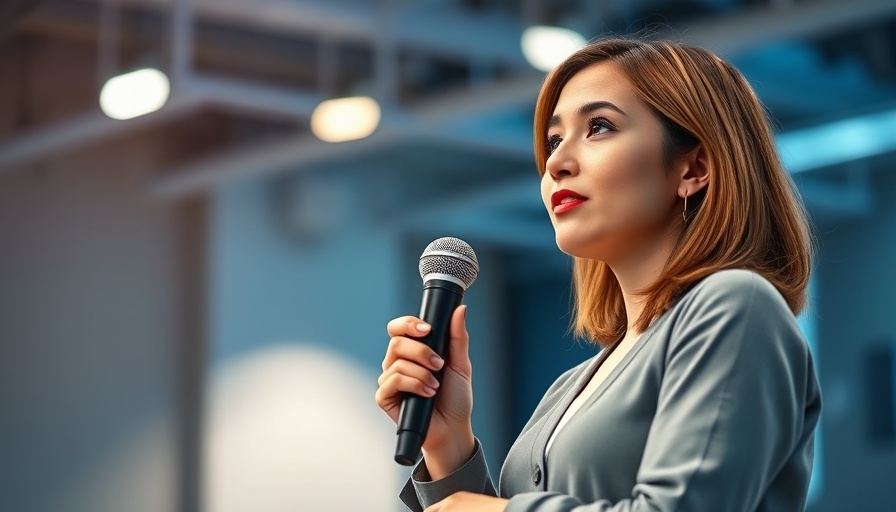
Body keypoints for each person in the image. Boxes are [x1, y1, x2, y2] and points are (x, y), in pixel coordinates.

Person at [375, 37, 822, 512]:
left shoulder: (736, 307)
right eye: (552, 140)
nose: (555, 162)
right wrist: (448, 445)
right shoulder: (569, 387)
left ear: (694, 167)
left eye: (599, 126)